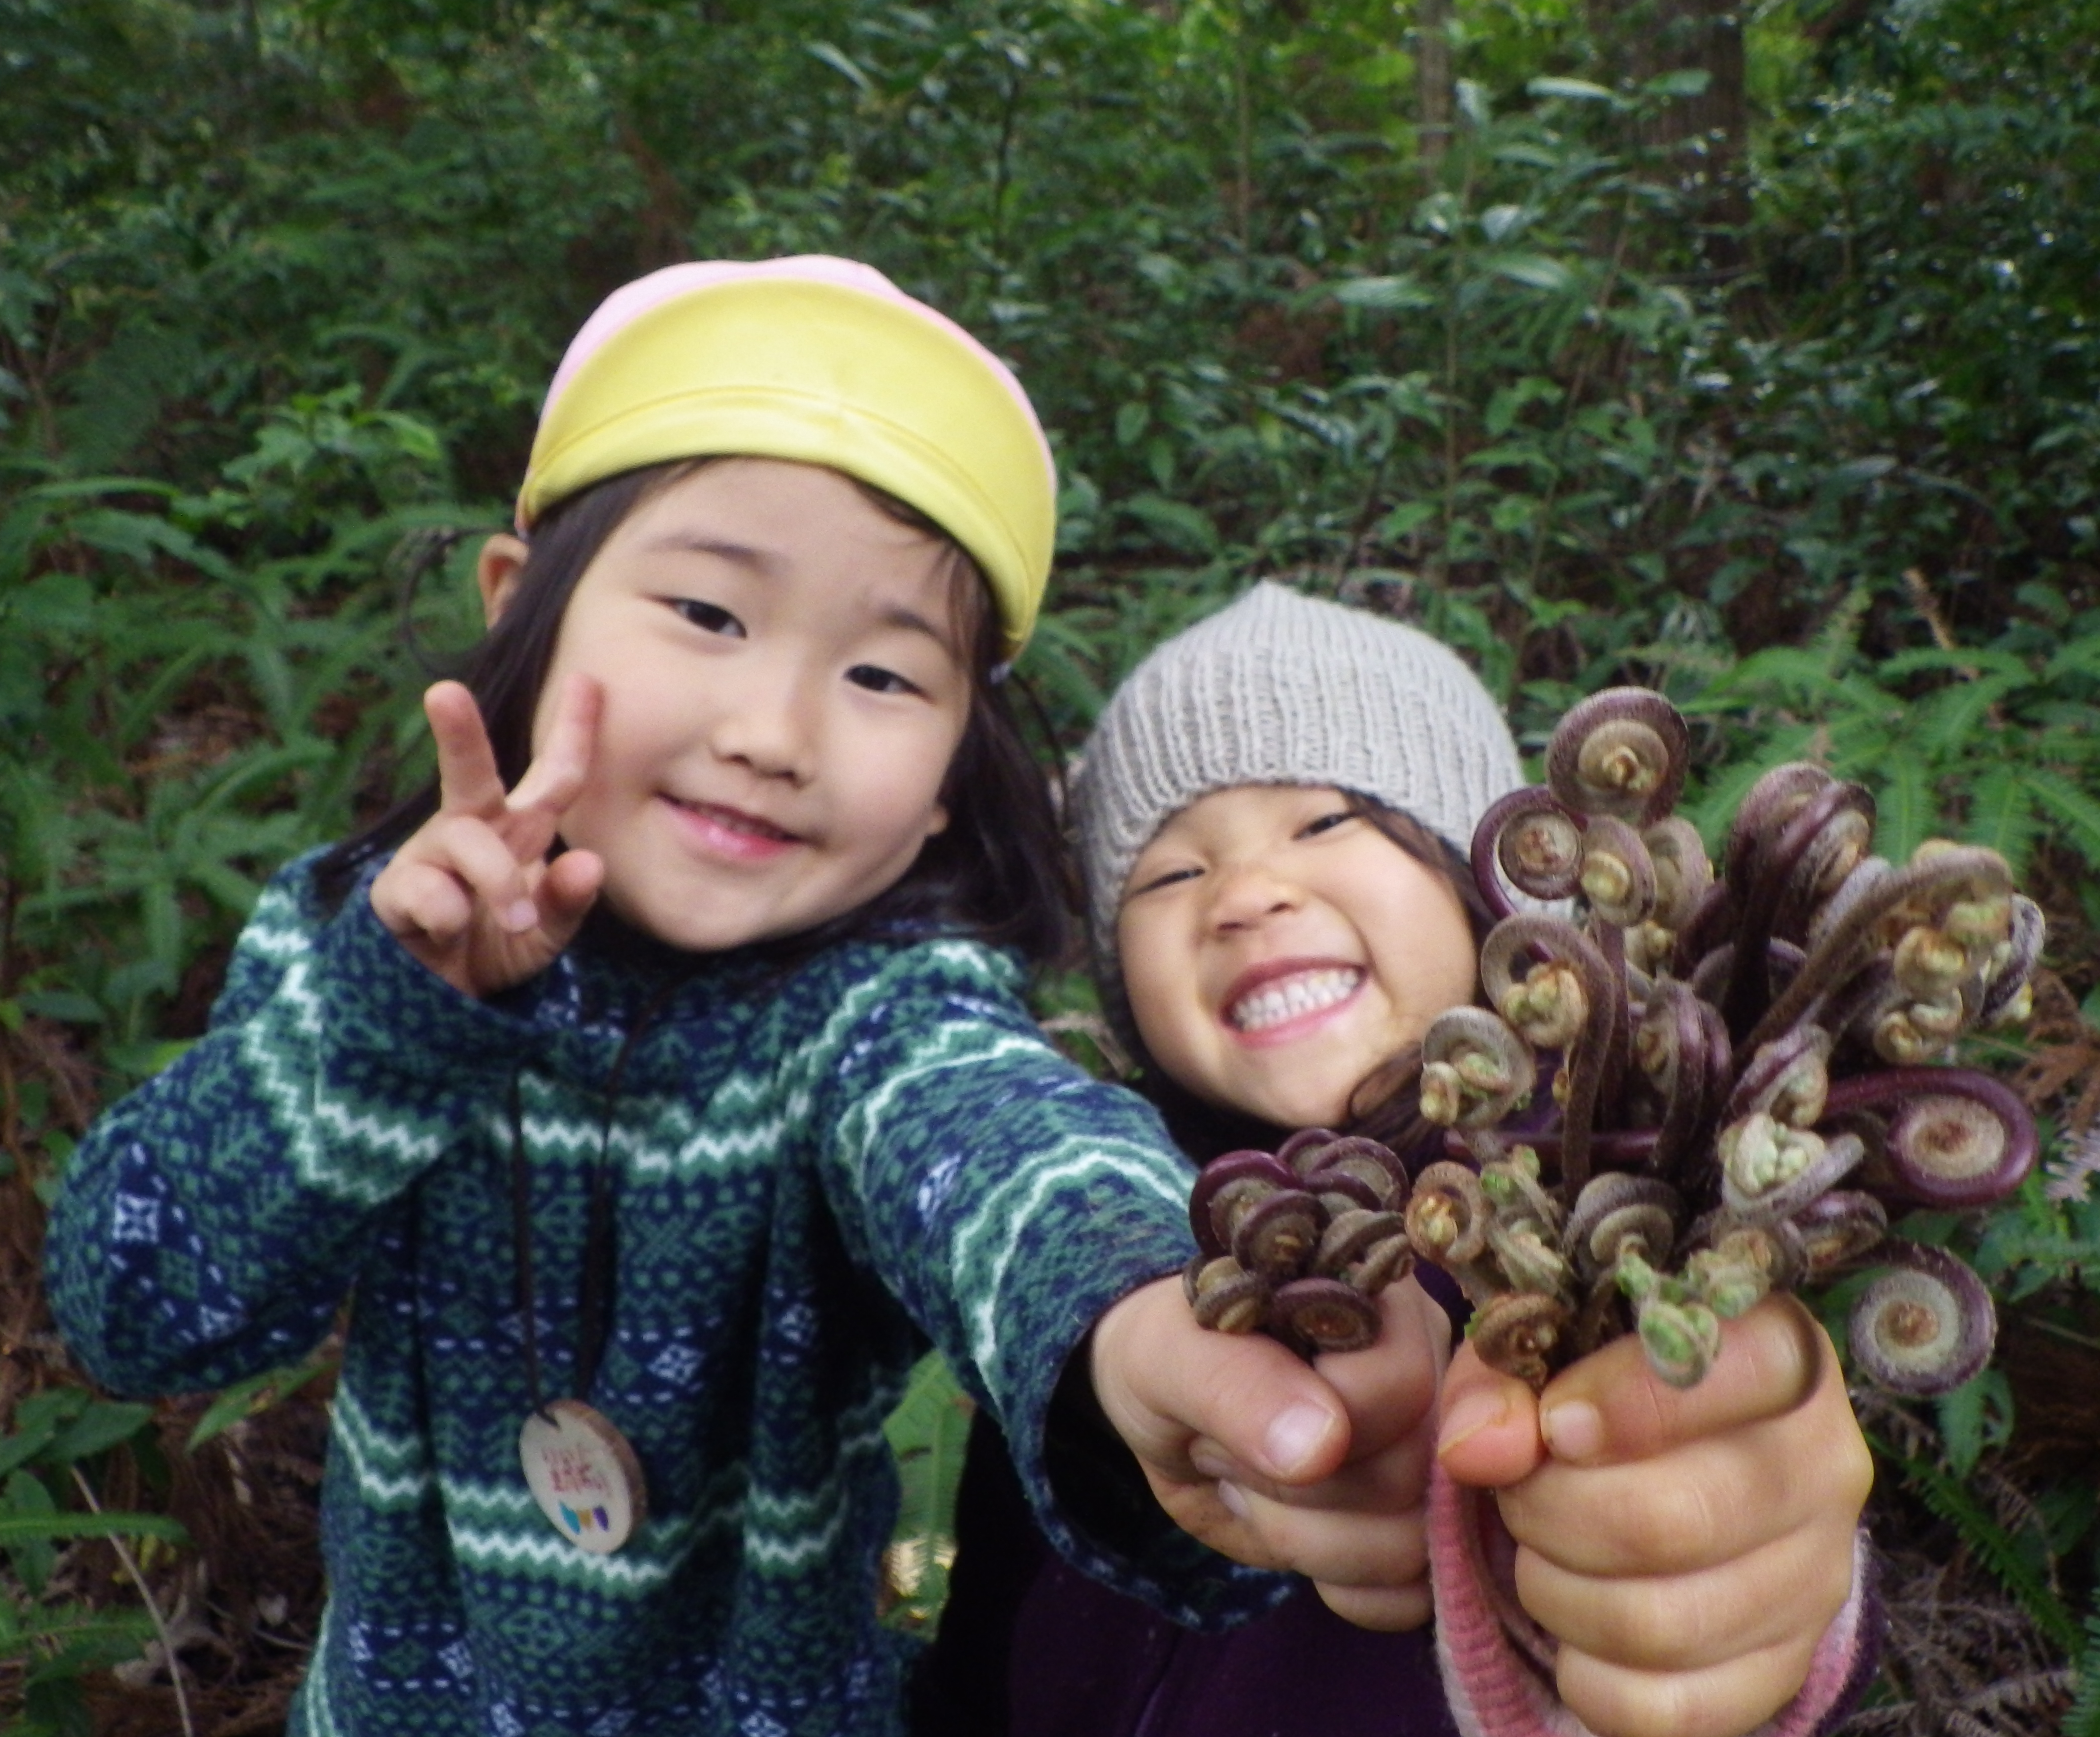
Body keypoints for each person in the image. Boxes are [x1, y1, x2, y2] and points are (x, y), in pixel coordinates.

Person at [43, 263, 1446, 1737]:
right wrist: (387, 1025)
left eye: (884, 675)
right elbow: (132, 1308)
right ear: (524, 606)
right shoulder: (364, 941)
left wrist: (1155, 1312)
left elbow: (1005, 1156)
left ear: (947, 789)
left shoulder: (879, 1017)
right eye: (709, 611)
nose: (774, 731)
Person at [917, 582, 1879, 1737]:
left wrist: (1761, 1612)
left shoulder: (1600, 1206)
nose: (1246, 897)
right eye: (1170, 874)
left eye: (1325, 823)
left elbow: (1730, 1492)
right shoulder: (1086, 1247)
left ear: (1497, 882)